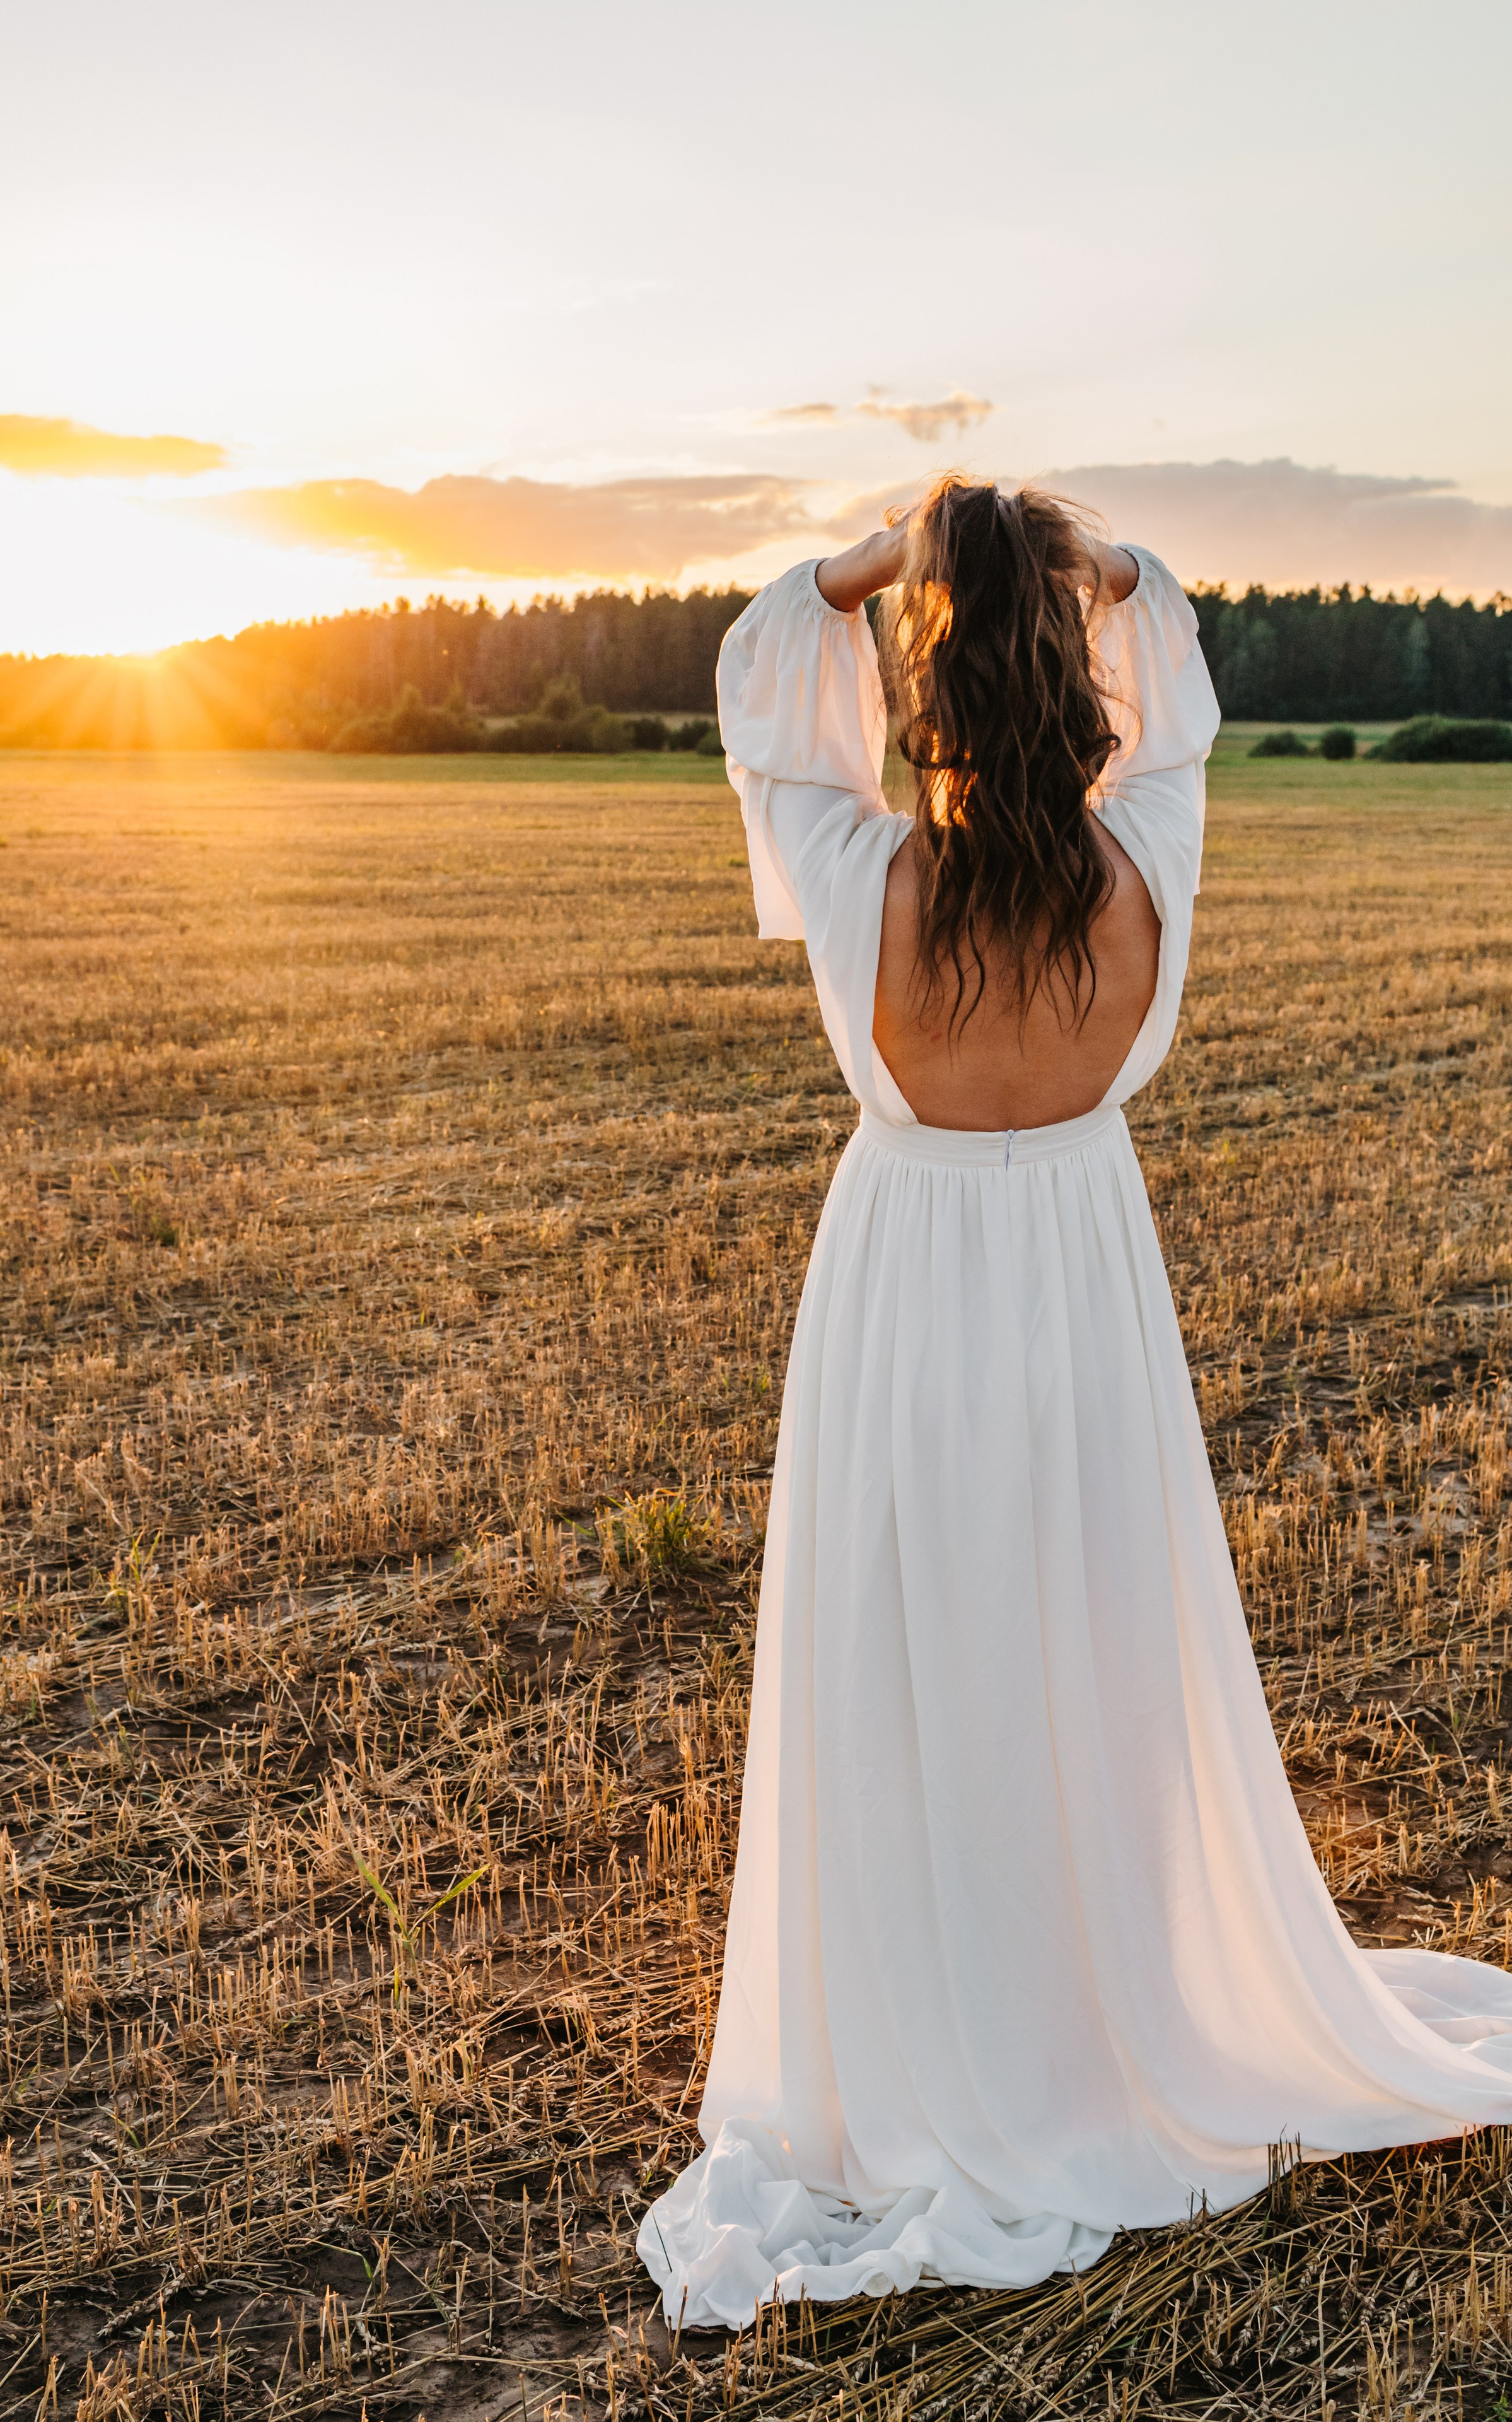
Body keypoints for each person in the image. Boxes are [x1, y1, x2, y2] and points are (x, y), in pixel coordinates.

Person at [636, 476, 1512, 2334]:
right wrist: (1095, 566)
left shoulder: (859, 872)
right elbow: (1178, 686)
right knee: (1097, 1647)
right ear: (1078, 670)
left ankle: (945, 2039)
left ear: (927, 687)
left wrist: (878, 565)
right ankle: (1097, 2024)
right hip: (1084, 1281)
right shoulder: (1151, 861)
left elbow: (756, 679)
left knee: (908, 1659)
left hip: (906, 1286)